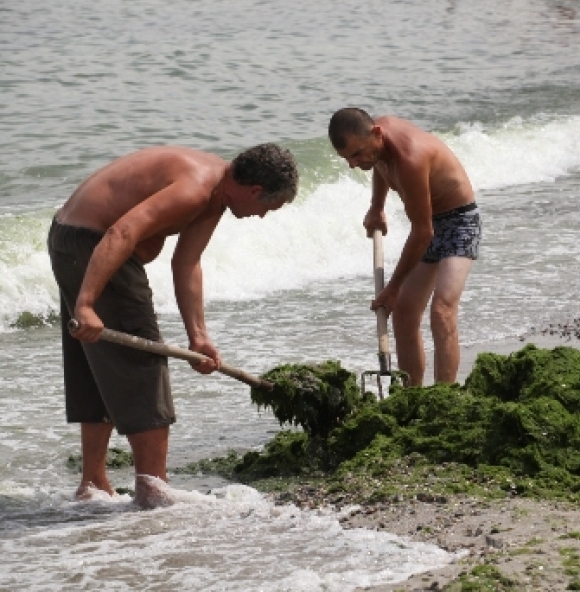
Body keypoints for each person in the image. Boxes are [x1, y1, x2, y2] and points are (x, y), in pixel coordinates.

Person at [48, 143, 298, 507]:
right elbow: (122, 232)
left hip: (72, 239)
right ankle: (153, 488)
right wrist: (86, 303)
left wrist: (199, 337)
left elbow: (187, 263)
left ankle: (93, 482)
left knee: (99, 361)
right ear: (255, 191)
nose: (262, 216)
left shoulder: (217, 190)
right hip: (95, 244)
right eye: (267, 209)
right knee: (142, 361)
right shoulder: (197, 187)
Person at [328, 108, 481, 387]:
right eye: (347, 158)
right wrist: (376, 207)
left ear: (376, 134)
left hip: (459, 221)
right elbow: (380, 164)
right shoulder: (376, 143)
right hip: (429, 221)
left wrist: (393, 287)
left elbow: (423, 233)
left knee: (442, 311)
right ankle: (413, 395)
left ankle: (442, 398)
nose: (353, 164)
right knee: (405, 314)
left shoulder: (411, 157)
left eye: (356, 154)